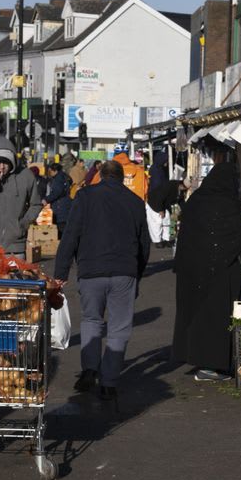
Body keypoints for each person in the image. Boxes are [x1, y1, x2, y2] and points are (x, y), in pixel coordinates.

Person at [172, 162, 241, 382]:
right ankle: (212, 366)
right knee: (217, 319)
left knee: (196, 317)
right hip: (220, 273)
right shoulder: (226, 204)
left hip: (192, 271)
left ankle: (198, 359)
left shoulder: (196, 201)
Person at [54, 159, 150, 400]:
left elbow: (70, 235)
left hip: (91, 270)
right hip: (124, 271)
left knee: (91, 319)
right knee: (119, 327)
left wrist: (60, 273)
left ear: (98, 175)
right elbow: (144, 245)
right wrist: (137, 274)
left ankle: (89, 368)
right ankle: (109, 381)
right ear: (121, 178)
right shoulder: (136, 202)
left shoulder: (85, 197)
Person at [42, 162, 72, 237]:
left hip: (60, 206)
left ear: (55, 171)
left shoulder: (58, 179)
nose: (50, 173)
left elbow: (56, 192)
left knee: (60, 226)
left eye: (50, 171)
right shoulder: (65, 176)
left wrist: (46, 199)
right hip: (66, 204)